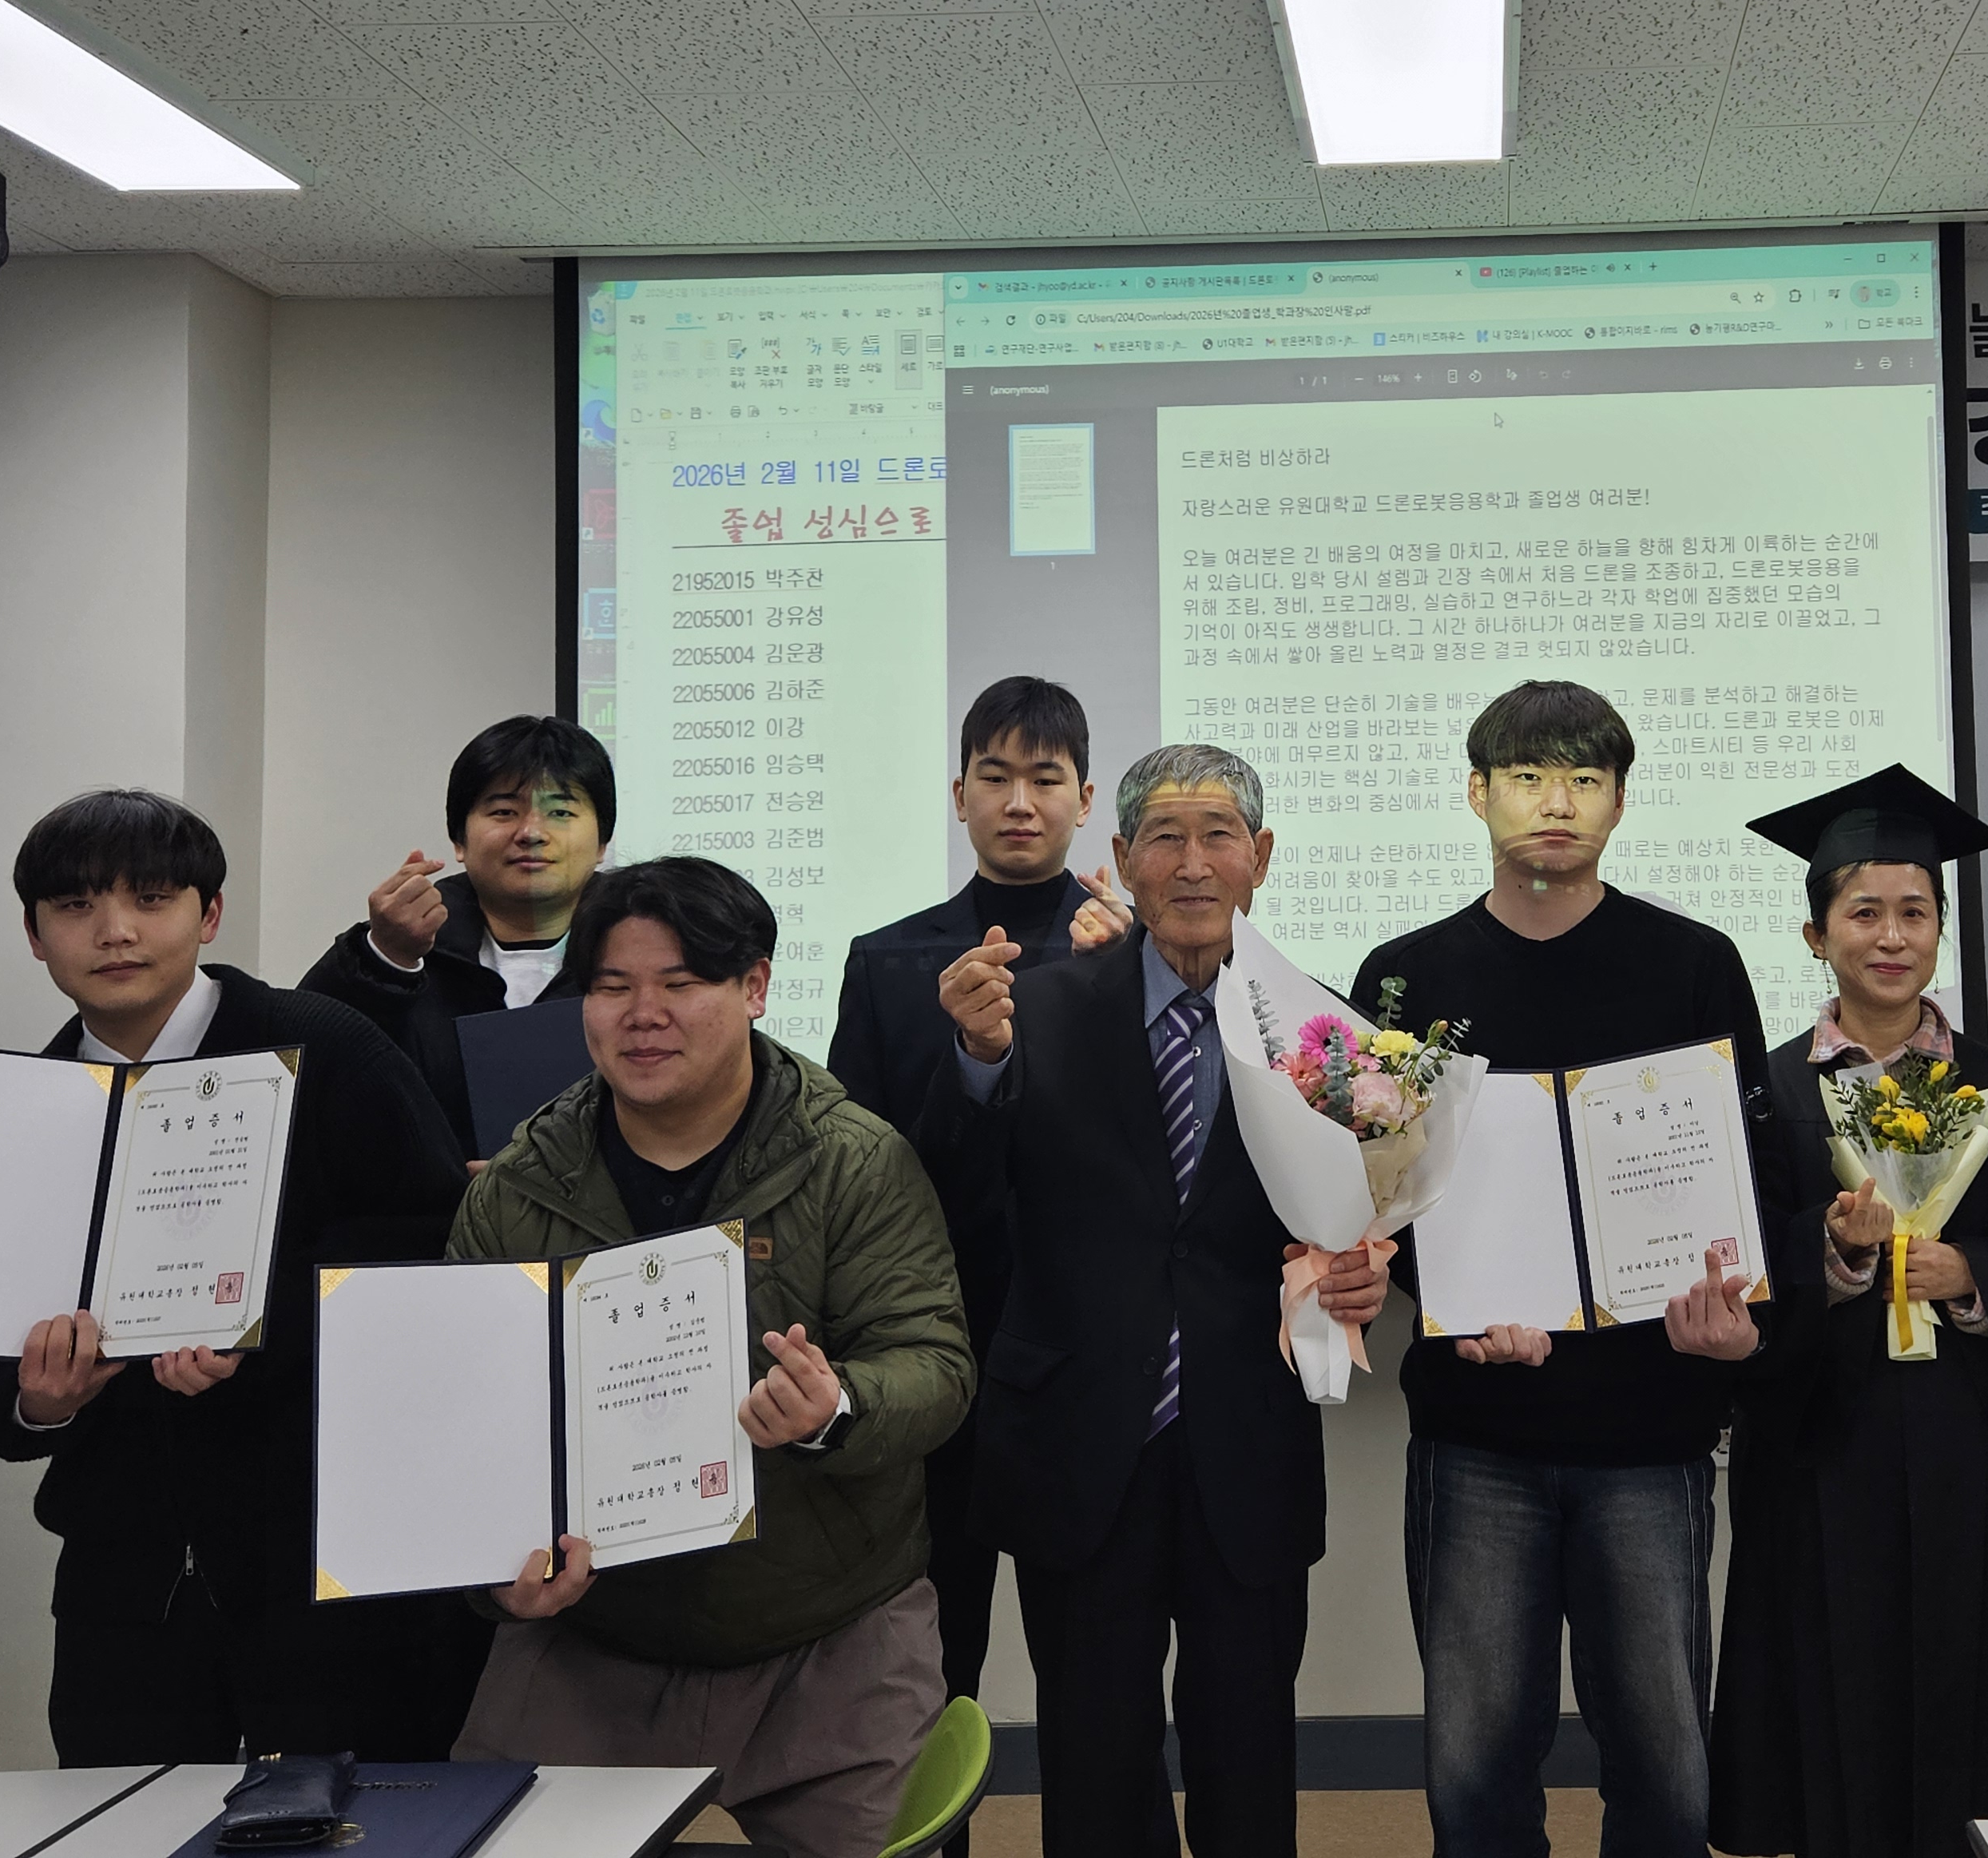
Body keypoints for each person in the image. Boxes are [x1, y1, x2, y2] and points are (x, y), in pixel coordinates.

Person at [0, 789, 478, 1763]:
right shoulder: (12, 1117)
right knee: (120, 1817)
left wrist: (261, 1333)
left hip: (333, 1571)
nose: (116, 931)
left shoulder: (329, 1048)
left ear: (208, 914)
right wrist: (37, 1405)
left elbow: (438, 1256)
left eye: (152, 899)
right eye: (76, 906)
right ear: (34, 936)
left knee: (360, 1821)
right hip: (126, 1587)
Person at [448, 855, 974, 1858]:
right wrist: (495, 1579)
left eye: (680, 983)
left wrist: (836, 1407)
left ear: (755, 987)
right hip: (592, 1635)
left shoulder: (855, 1159)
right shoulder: (516, 1188)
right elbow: (463, 1423)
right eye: (611, 986)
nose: (643, 1014)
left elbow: (935, 1364)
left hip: (829, 1629)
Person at [926, 744, 1384, 1858]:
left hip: (1247, 1441)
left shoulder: (1323, 1033)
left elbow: (1355, 1215)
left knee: (1248, 1750)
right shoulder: (1033, 1010)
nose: (1192, 864)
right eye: (1165, 838)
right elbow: (957, 1198)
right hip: (1080, 1440)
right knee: (1093, 1758)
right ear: (1123, 857)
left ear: (1260, 857)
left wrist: (1362, 1275)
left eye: (1218, 835)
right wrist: (975, 1061)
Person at [1349, 681, 1779, 1858]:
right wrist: (1453, 1303)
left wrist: (1735, 1310)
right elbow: (1376, 1195)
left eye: (1586, 780)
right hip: (1478, 1428)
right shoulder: (1405, 978)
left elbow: (1747, 1170)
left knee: (1664, 1765)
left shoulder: (1693, 963)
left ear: (1620, 803)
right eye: (1529, 777)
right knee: (1476, 1767)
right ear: (1476, 792)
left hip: (1651, 1426)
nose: (1558, 802)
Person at [1712, 766, 1988, 1858]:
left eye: (1915, 913)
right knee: (1829, 1680)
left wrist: (1973, 1277)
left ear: (1940, 931)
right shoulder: (1765, 1099)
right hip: (1821, 1445)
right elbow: (1732, 1256)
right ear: (1815, 934)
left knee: (1973, 1683)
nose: (1891, 936)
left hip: (1971, 1446)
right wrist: (1833, 1257)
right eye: (1863, 913)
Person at [826, 674, 1125, 1707]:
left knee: (1092, 1679)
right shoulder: (887, 962)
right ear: (959, 797)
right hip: (931, 1354)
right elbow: (856, 1174)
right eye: (995, 777)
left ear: (1086, 800)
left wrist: (1132, 981)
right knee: (923, 1672)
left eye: (1046, 778)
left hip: (1085, 1360)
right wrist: (970, 1060)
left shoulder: (1134, 956)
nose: (1019, 802)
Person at [300, 713, 615, 1160]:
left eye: (561, 812)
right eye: (503, 812)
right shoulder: (405, 947)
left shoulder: (648, 954)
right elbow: (306, 1068)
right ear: (459, 841)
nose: (531, 833)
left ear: (602, 842)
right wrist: (382, 957)